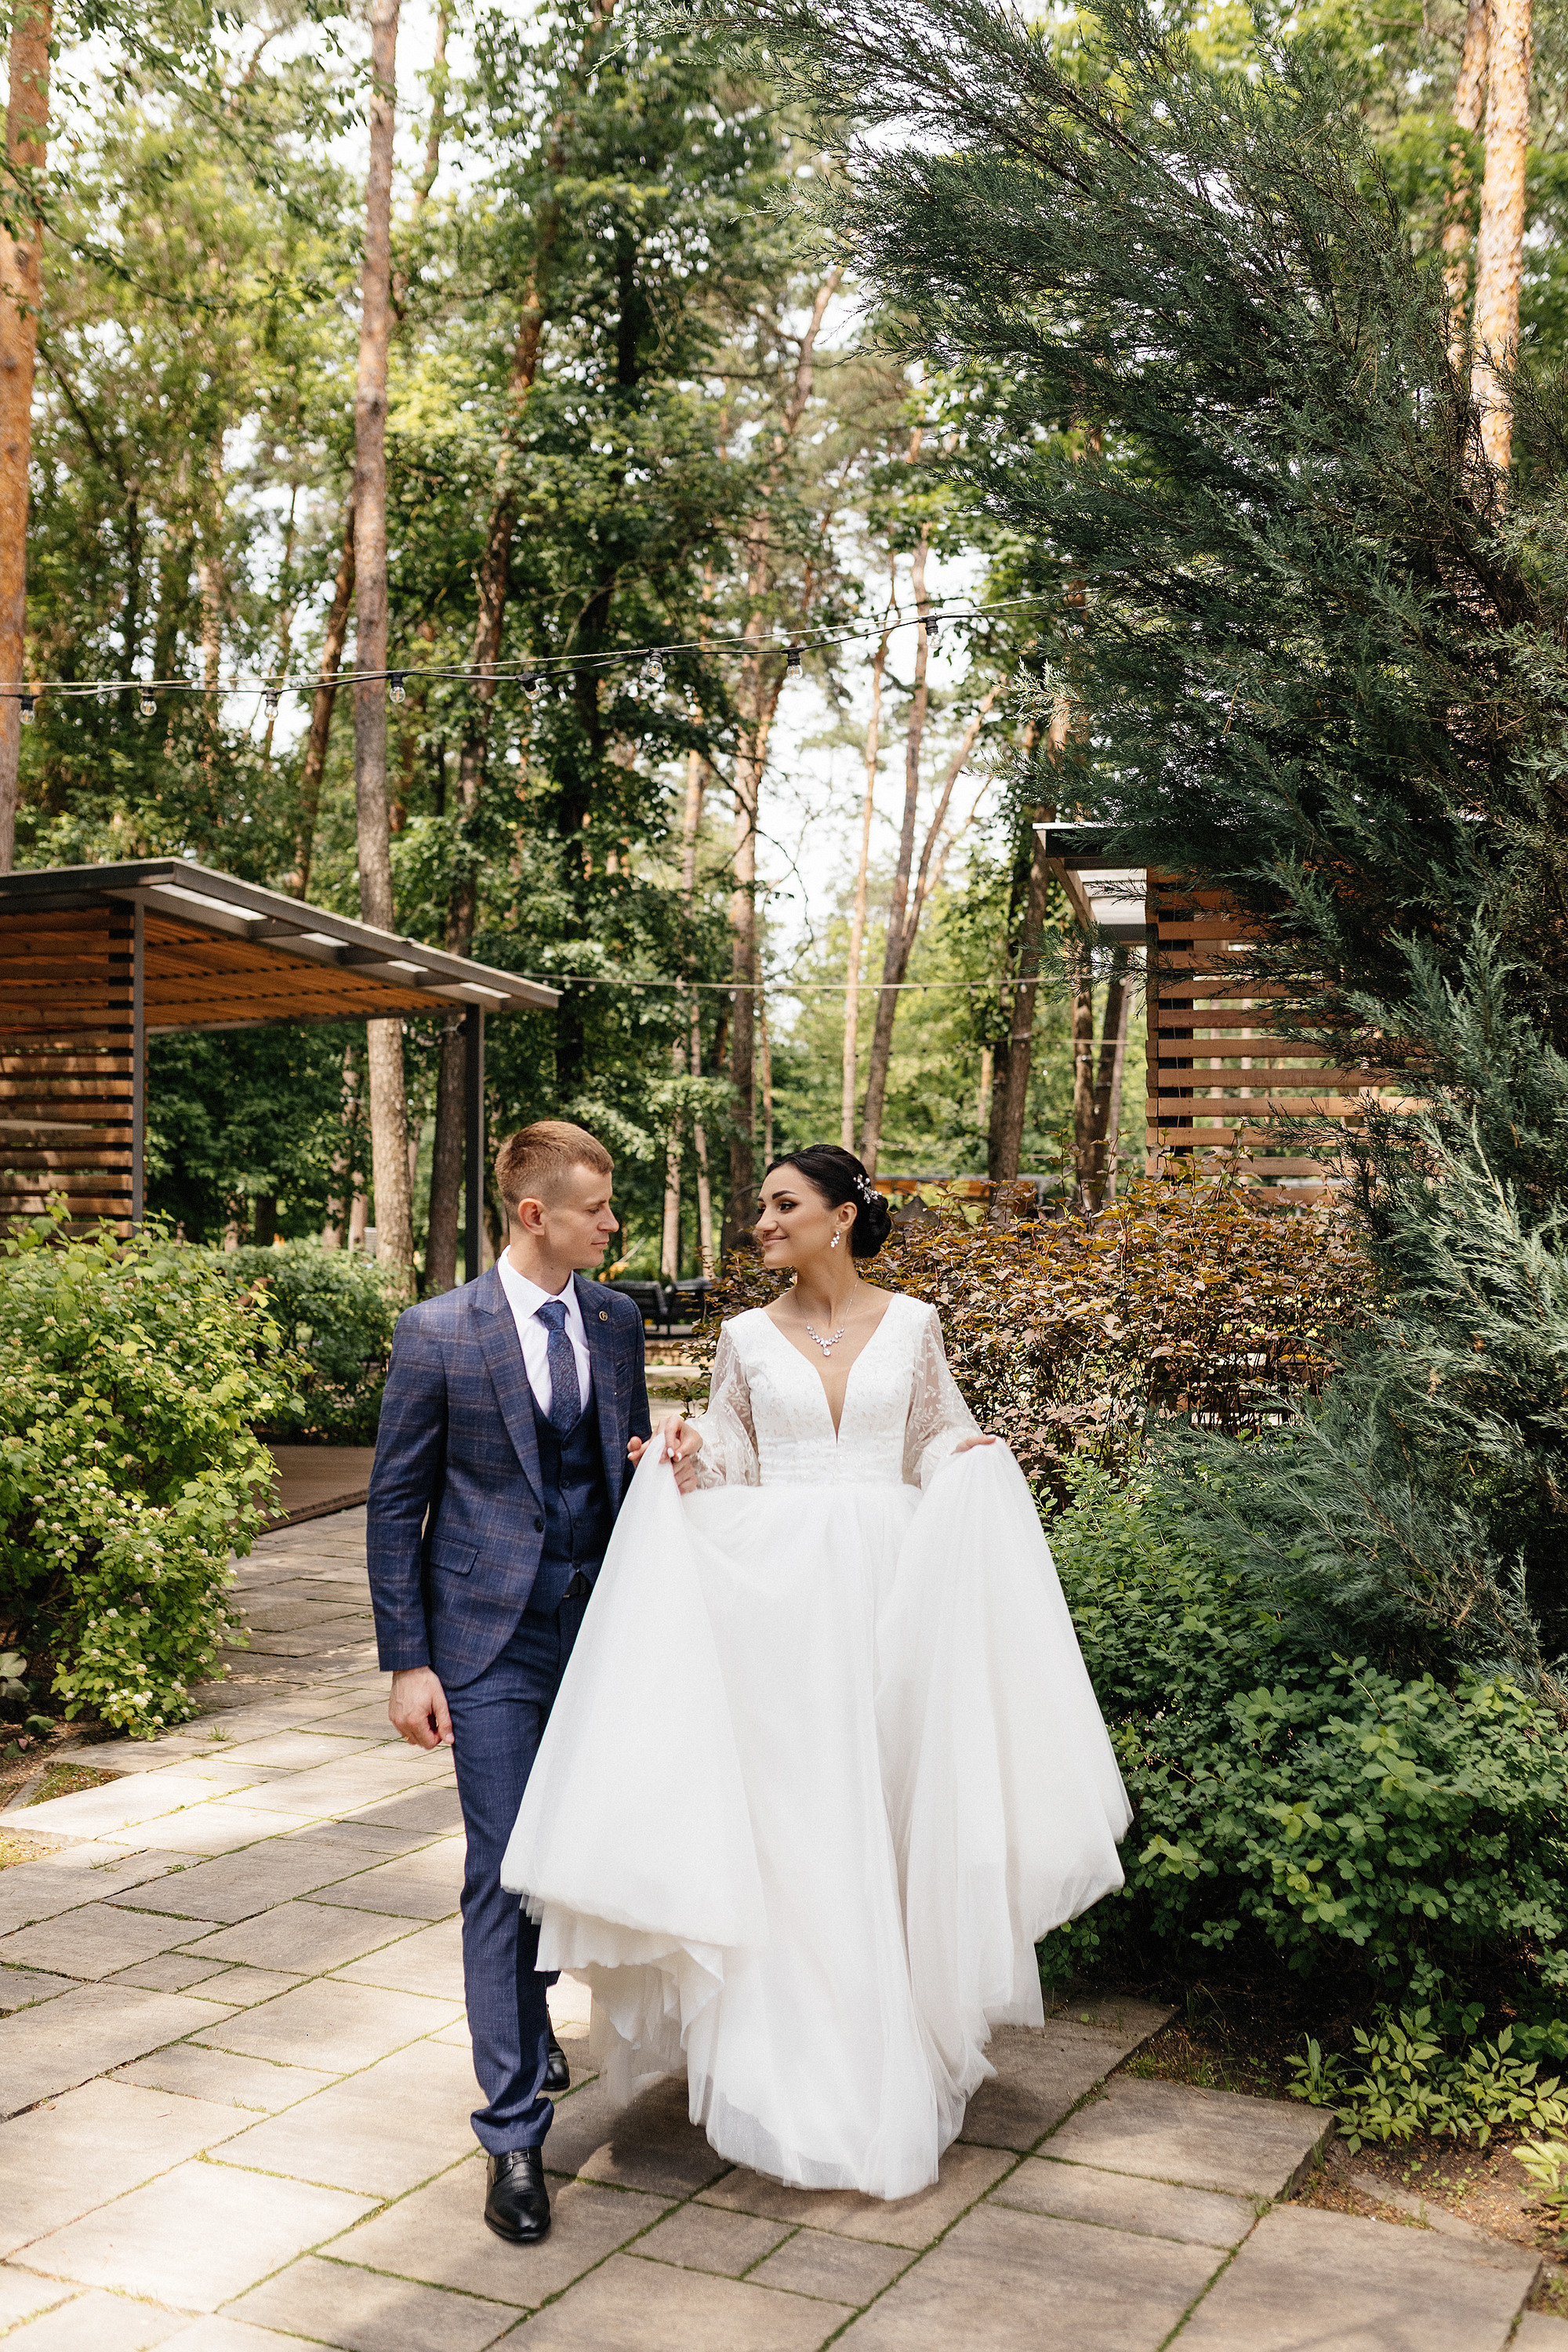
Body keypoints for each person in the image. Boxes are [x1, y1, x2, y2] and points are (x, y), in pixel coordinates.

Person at [502, 1142, 1130, 2202]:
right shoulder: (745, 1337)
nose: (762, 1220)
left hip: (893, 1588)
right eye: (760, 1204)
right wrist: (691, 1461)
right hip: (781, 1604)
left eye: (782, 1203)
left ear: (841, 1216)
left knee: (884, 1816)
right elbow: (739, 1460)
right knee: (801, 1827)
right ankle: (792, 2068)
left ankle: (889, 2037)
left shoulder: (917, 1325)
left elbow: (932, 1440)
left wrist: (968, 1459)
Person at [366, 1120, 651, 2247]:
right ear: (536, 1214)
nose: (612, 1224)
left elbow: (619, 1467)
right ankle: (515, 2134)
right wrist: (407, 1660)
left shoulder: (618, 1322)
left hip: (606, 1635)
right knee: (501, 1870)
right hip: (486, 1645)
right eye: (596, 1208)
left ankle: (535, 2031)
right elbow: (397, 1504)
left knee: (581, 1857)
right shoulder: (438, 1333)